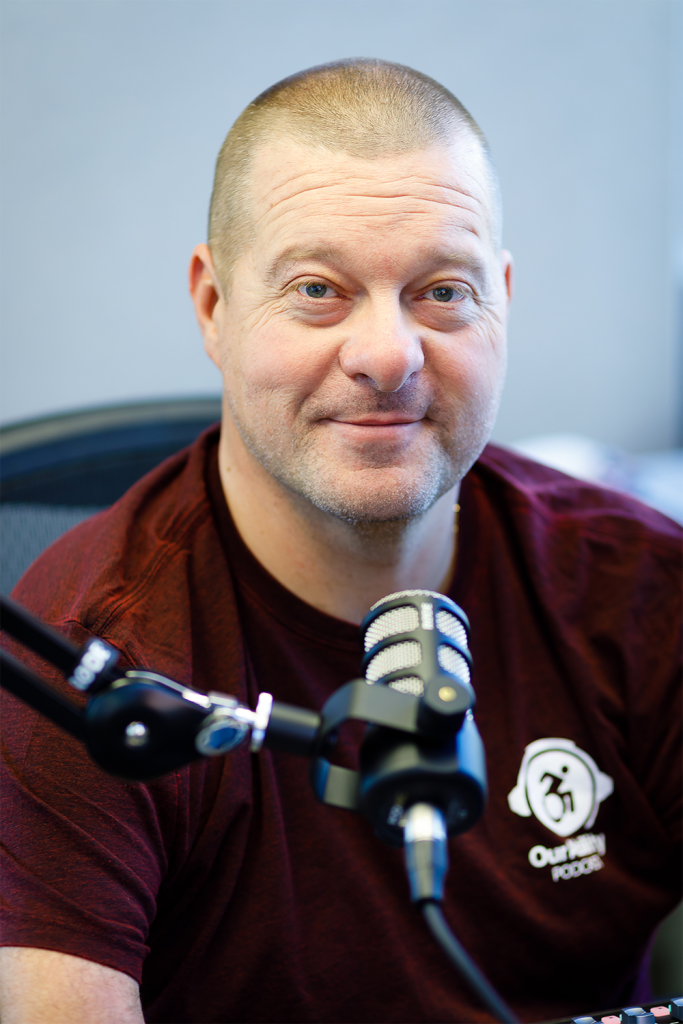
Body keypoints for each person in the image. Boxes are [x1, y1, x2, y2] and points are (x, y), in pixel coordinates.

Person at [1, 57, 683, 1024]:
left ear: (504, 300)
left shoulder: (644, 591)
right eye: (317, 289)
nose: (385, 355)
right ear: (213, 306)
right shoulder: (94, 673)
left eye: (443, 291)